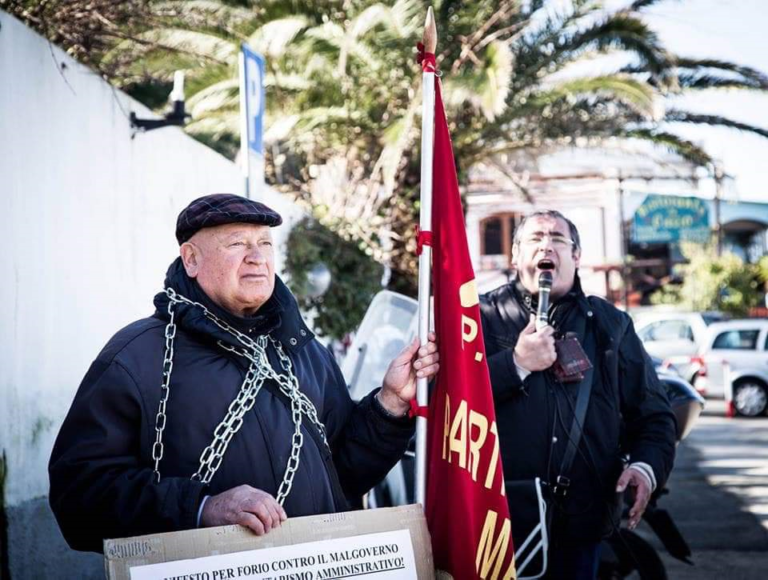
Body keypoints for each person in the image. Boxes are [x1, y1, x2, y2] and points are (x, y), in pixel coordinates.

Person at [49, 193, 439, 553]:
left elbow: (344, 474)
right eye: (237, 244)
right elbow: (79, 496)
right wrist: (201, 509)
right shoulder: (136, 358)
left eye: (265, 244)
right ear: (191, 259)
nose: (257, 257)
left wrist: (388, 404)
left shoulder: (304, 350)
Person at [479, 210, 676, 579]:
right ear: (516, 256)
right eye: (535, 239)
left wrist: (645, 468)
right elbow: (450, 404)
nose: (546, 245)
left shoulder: (611, 325)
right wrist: (516, 363)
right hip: (498, 523)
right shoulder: (479, 318)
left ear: (576, 256)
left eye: (557, 239)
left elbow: (654, 416)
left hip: (581, 523)